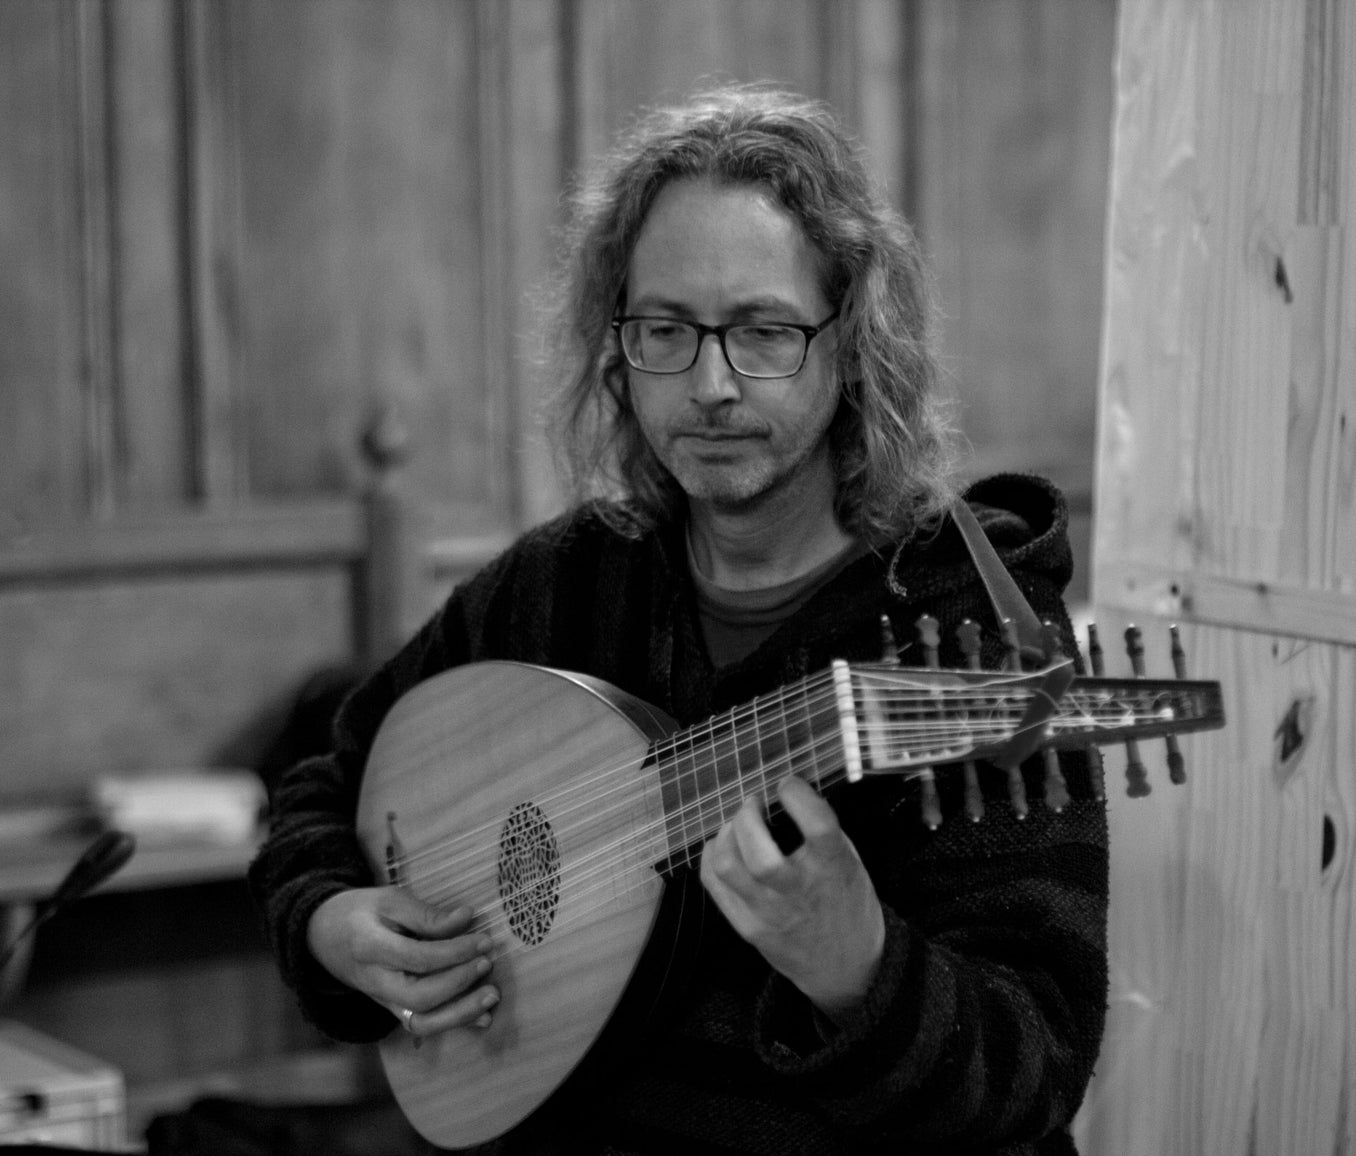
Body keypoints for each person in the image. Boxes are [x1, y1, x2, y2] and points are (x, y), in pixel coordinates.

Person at [248, 83, 1108, 1155]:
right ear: (617, 345)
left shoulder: (966, 638)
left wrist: (856, 967)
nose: (708, 385)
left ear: (852, 343)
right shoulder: (563, 583)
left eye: (760, 332)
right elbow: (323, 781)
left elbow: (1031, 1080)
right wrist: (331, 920)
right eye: (665, 329)